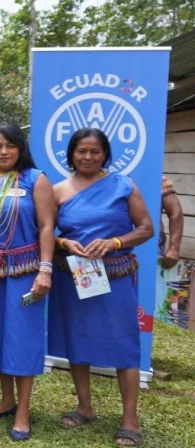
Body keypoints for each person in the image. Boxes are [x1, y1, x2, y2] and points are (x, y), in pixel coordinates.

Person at [48, 128, 154, 448]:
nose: (88, 157)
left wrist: (115, 241)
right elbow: (44, 232)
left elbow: (146, 228)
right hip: (77, 275)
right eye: (82, 151)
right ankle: (84, 407)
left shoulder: (124, 184)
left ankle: (130, 419)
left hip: (117, 274)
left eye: (95, 151)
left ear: (105, 154)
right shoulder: (58, 190)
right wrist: (64, 242)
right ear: (71, 154)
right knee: (77, 341)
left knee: (125, 346)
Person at [0, 121, 55, 442]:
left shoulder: (37, 180)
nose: (3, 152)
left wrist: (45, 269)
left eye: (10, 145)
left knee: (21, 336)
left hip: (25, 269)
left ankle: (23, 412)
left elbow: (47, 227)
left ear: (21, 148)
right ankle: (6, 400)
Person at [160, 176, 184, 268]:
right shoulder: (113, 178)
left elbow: (175, 211)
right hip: (114, 245)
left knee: (150, 278)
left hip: (151, 243)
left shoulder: (155, 177)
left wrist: (174, 248)